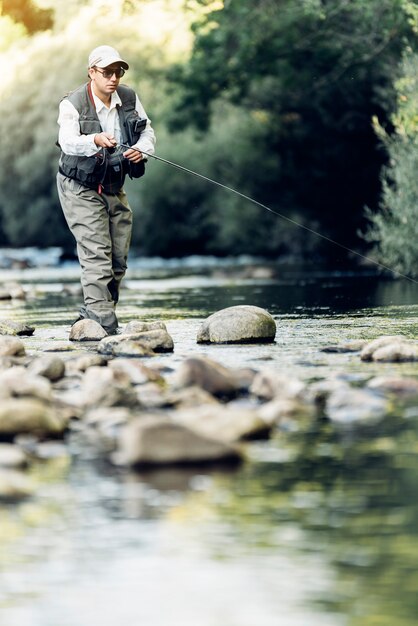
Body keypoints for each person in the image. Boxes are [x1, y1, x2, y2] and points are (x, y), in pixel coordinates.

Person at [57, 45, 156, 334]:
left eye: (119, 72)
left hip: (113, 184)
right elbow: (67, 142)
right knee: (97, 256)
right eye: (107, 72)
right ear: (92, 73)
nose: (114, 78)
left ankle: (92, 319)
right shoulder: (72, 104)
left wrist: (141, 150)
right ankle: (106, 329)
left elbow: (147, 131)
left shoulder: (129, 98)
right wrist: (95, 140)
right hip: (79, 186)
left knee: (118, 260)